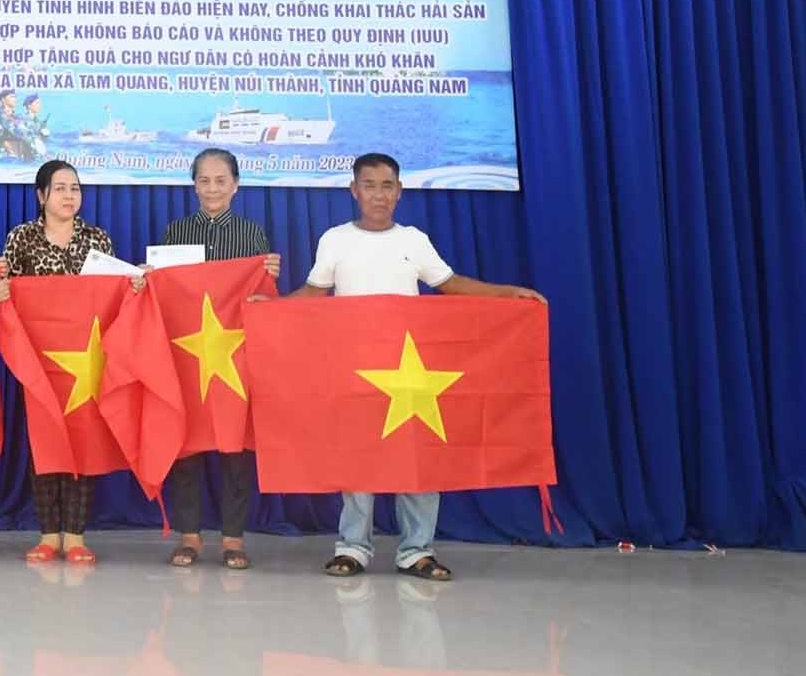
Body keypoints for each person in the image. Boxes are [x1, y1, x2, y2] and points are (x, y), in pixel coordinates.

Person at [289, 152, 543, 581]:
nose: (378, 194)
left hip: (410, 371)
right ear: (354, 191)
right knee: (357, 459)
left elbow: (451, 285)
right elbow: (314, 295)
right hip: (356, 368)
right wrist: (268, 310)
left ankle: (417, 550)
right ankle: (352, 547)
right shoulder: (334, 239)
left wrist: (505, 294)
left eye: (387, 186)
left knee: (417, 458)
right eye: (369, 185)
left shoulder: (413, 239)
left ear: (399, 192)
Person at [158, 147, 281, 572]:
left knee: (235, 445)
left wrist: (267, 279)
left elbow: (260, 298)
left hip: (233, 355)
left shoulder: (252, 236)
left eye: (220, 180)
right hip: (187, 351)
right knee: (185, 442)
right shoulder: (174, 232)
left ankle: (233, 537)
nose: (212, 188)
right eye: (204, 180)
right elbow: (164, 292)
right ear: (194, 185)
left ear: (236, 185)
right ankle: (188, 535)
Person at [0, 158, 119, 567]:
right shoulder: (22, 238)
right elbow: (1, 288)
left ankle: (76, 535)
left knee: (84, 439)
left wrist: (134, 285)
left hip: (86, 359)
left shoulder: (97, 239)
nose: (69, 196)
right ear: (41, 195)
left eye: (75, 188)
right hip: (37, 359)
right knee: (43, 444)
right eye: (61, 188)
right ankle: (48, 535)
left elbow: (113, 295)